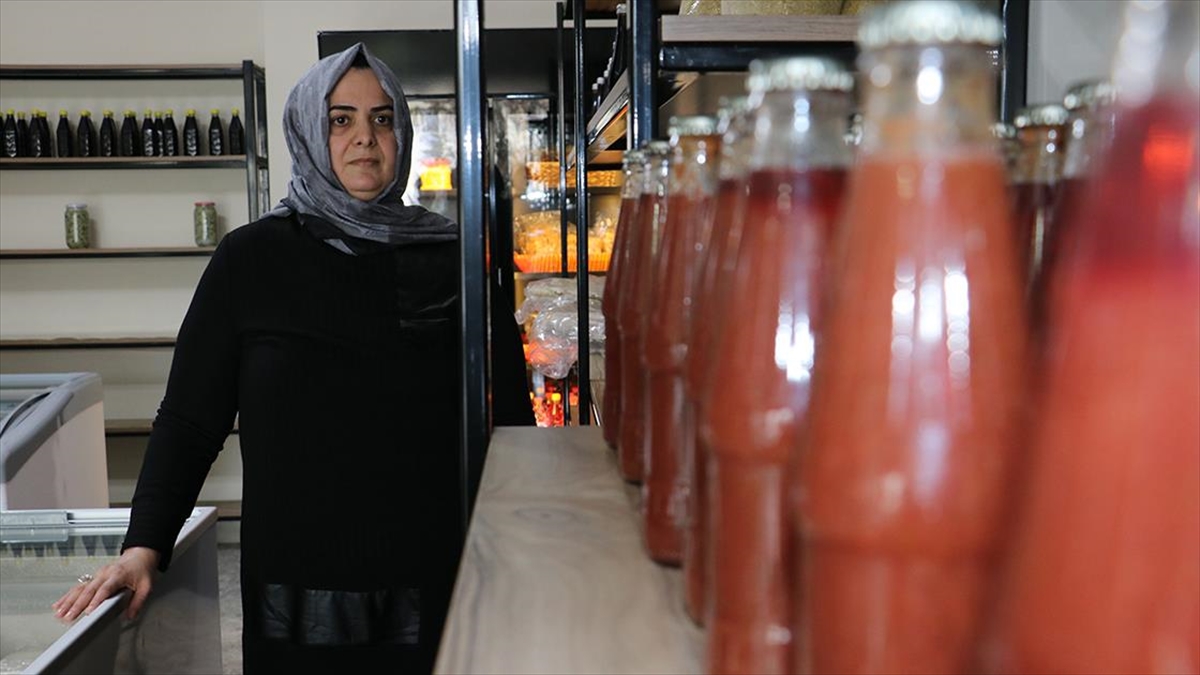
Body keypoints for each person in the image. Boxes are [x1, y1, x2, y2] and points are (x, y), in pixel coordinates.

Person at [52, 42, 533, 674]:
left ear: (403, 133)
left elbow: (512, 423)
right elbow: (190, 420)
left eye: (382, 118)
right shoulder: (250, 260)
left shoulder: (457, 260)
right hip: (296, 594)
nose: (365, 137)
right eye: (341, 120)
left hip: (434, 580)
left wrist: (531, 552)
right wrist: (144, 545)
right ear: (309, 129)